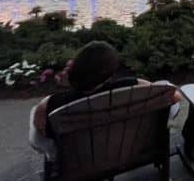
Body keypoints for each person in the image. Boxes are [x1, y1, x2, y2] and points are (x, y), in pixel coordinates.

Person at [30, 41, 167, 153]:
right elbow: (172, 95)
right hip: (129, 150)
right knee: (165, 86)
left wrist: (71, 86)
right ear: (112, 70)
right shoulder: (132, 86)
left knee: (35, 120)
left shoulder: (52, 104)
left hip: (78, 162)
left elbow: (39, 139)